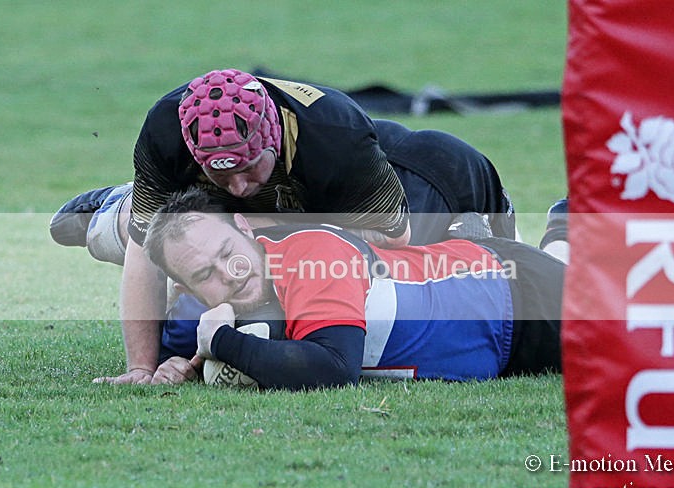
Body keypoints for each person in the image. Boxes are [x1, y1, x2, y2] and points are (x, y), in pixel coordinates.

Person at [53, 68, 518, 384]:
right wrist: (141, 365)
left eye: (248, 169)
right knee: (173, 242)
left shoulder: (338, 140)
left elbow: (389, 241)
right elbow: (145, 250)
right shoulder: (166, 130)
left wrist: (232, 337)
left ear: (273, 137)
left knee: (383, 277)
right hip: (274, 214)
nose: (237, 186)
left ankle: (124, 207)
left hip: (425, 184)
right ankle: (121, 212)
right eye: (221, 174)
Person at [96, 188, 564, 387]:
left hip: (516, 298)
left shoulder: (311, 255)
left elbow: (332, 369)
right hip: (494, 327)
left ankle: (565, 226)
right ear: (188, 289)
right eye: (206, 276)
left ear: (242, 226)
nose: (230, 273)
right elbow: (187, 350)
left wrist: (220, 343)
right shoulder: (215, 307)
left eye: (227, 251)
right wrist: (181, 366)